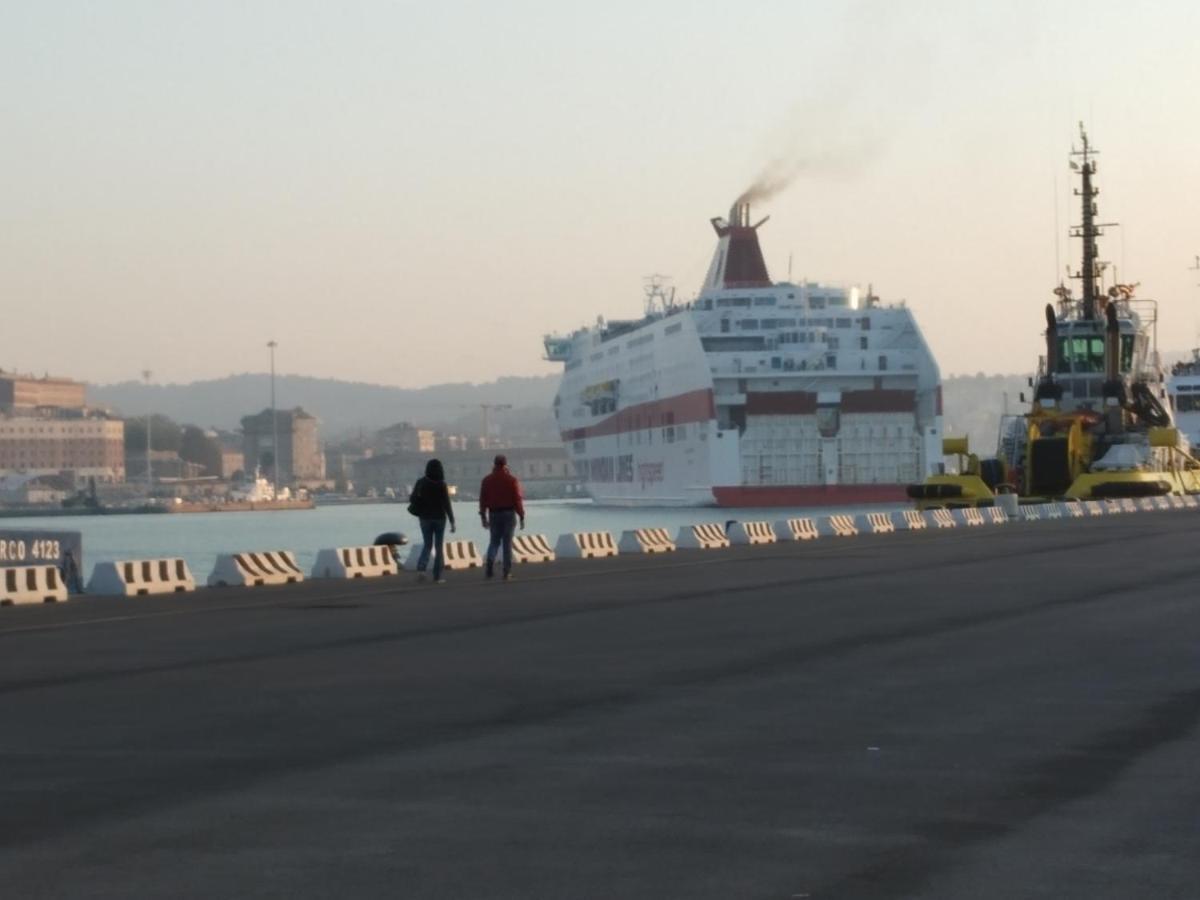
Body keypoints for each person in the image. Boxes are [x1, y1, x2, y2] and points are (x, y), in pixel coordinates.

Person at [408, 458, 455, 583]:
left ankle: (422, 569)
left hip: (425, 518)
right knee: (439, 547)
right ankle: (437, 576)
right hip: (440, 518)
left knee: (427, 544)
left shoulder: (421, 482)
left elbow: (412, 498)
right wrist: (452, 521)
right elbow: (447, 504)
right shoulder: (442, 484)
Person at [479, 453, 525, 580]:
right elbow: (517, 499)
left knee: (494, 541)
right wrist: (521, 515)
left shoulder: (486, 480)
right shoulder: (512, 480)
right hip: (509, 513)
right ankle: (506, 571)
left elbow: (483, 500)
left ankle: (489, 564)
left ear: (494, 464)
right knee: (507, 543)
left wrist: (483, 516)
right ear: (505, 464)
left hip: (493, 513)